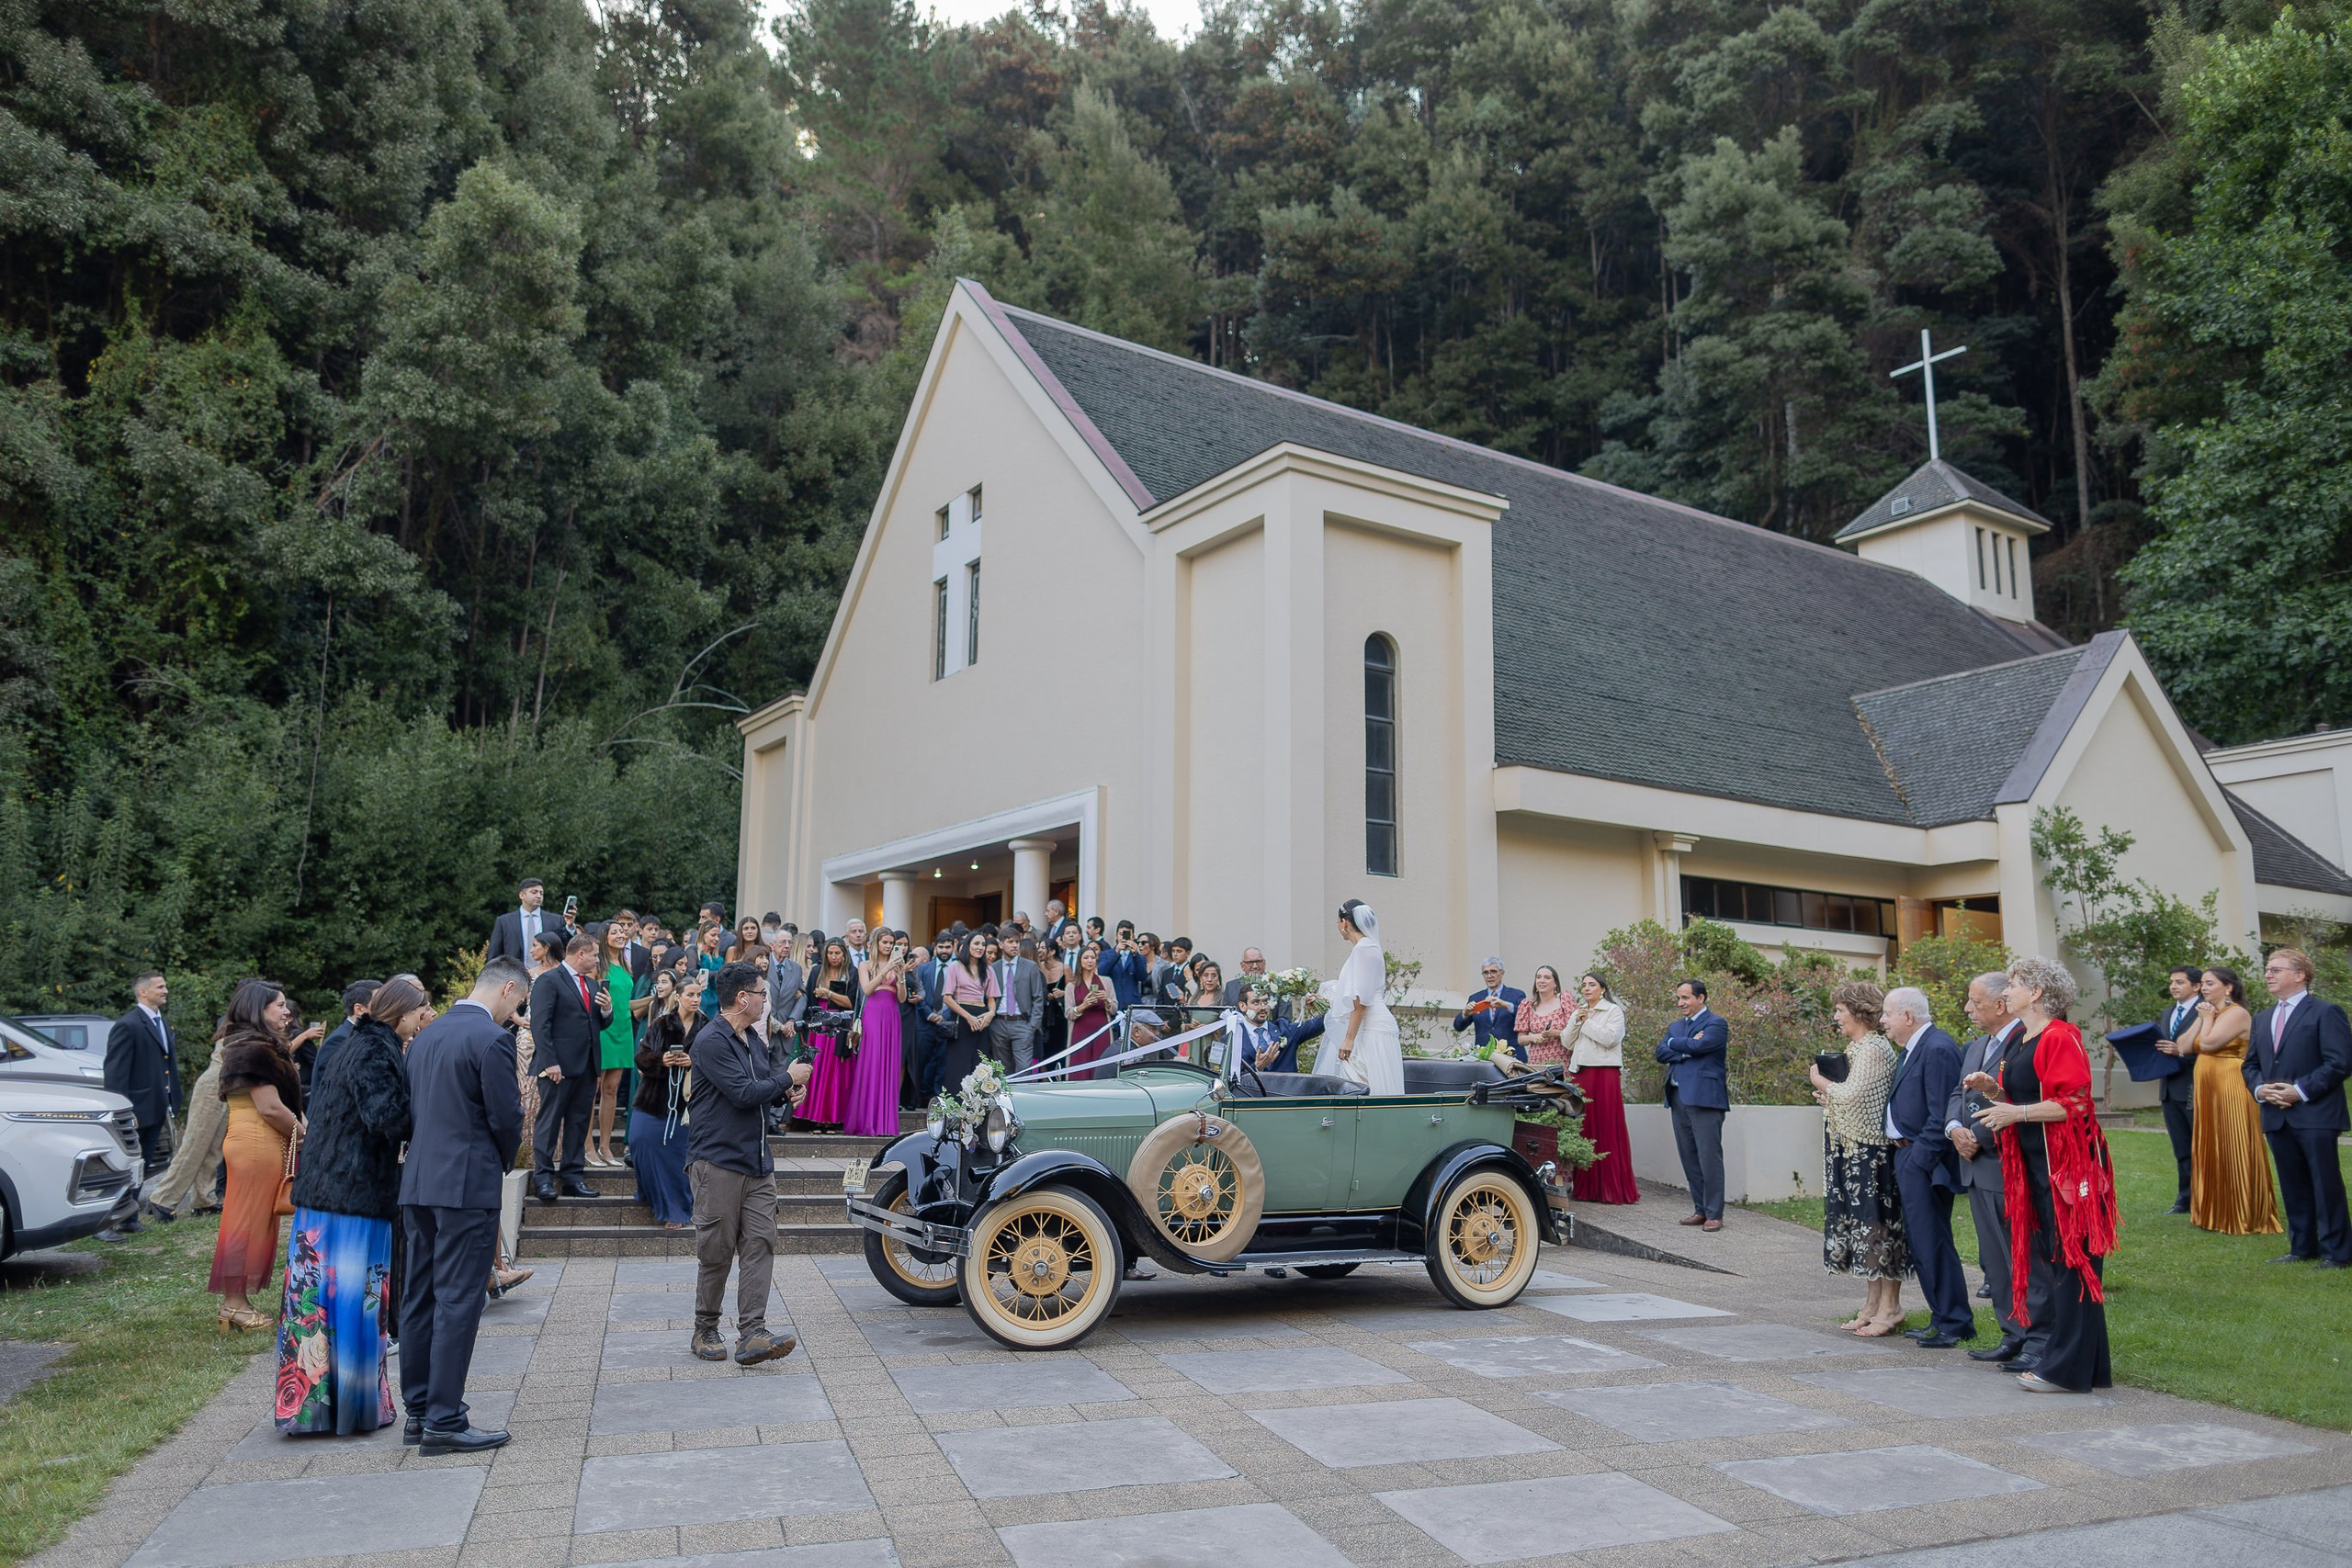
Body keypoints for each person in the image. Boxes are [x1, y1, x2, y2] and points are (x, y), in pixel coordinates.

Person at [276, 976, 426, 1437]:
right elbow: (385, 1116)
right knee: (355, 1300)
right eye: (421, 1010)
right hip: (353, 1196)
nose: (425, 1018)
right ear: (400, 1014)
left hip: (325, 1195)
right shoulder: (375, 1050)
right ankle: (353, 1408)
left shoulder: (348, 1042)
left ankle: (314, 1408)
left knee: (315, 1301)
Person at [1968, 956, 2119, 1393]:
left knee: (2074, 1265)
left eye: (2013, 984)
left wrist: (2016, 1112)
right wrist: (1993, 1091)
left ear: (2036, 992)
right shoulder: (2023, 1038)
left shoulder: (2060, 1035)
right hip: (2036, 1169)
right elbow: (2027, 1094)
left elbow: (2074, 1103)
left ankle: (2065, 1371)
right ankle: (2085, 1366)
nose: (2006, 991)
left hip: (2068, 1171)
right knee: (2058, 1264)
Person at [398, 957, 530, 1452]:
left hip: (419, 1182)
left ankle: (418, 1411)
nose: (516, 1011)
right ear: (508, 988)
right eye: (518, 1001)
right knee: (458, 1298)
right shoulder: (491, 1039)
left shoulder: (425, 1036)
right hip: (465, 1184)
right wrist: (496, 1164)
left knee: (420, 1295)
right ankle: (445, 1419)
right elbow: (505, 1117)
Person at [686, 962, 799, 1366]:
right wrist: (787, 1079)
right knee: (715, 1251)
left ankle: (753, 1332)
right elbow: (741, 1093)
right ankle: (706, 1328)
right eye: (762, 994)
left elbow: (761, 1090)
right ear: (742, 998)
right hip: (716, 1160)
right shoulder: (710, 1041)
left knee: (760, 1244)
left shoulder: (753, 1038)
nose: (765, 1001)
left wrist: (784, 1094)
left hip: (757, 1161)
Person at [1947, 973, 2041, 1368]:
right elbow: (1958, 1094)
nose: (1968, 1009)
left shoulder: (2025, 1040)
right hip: (1975, 1165)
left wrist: (1976, 1136)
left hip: (2006, 1162)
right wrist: (1954, 1130)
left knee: (2020, 1254)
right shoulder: (1976, 1046)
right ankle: (2012, 1333)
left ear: (2000, 1004)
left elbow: (2020, 1097)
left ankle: (2036, 1336)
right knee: (1994, 1259)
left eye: (1974, 1001)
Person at [210, 980, 312, 1333]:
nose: (287, 1012)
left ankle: (236, 1303)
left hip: (262, 1139)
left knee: (255, 1222)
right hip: (256, 1139)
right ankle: (233, 1304)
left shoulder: (255, 1044)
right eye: (279, 1005)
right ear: (258, 1008)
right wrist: (306, 1137)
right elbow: (269, 1108)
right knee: (246, 1223)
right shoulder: (250, 1047)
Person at [1809, 980, 1907, 1336]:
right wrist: (1830, 1097)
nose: (1836, 1017)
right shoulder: (1857, 1048)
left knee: (1878, 1227)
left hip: (1870, 1153)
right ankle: (1871, 1303)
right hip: (1851, 1150)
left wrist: (1820, 1082)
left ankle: (1891, 1307)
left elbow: (1851, 1095)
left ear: (1858, 1011)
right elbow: (1852, 1100)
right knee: (1863, 1231)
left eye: (1840, 1010)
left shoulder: (1874, 1049)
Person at [2245, 947, 2351, 1266]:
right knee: (2292, 1183)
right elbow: (2250, 1064)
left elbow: (2340, 1062)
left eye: (2276, 969)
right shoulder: (2263, 1018)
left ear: (2300, 975)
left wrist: (2299, 1091)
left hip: (2316, 1113)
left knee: (2324, 1182)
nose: (2268, 974)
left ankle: (2338, 1253)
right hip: (2276, 1114)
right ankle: (2303, 1247)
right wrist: (2261, 1089)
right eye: (2267, 969)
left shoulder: (2325, 1012)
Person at [1881, 987, 1971, 1348]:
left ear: (1908, 1016)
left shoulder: (1937, 1048)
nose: (1882, 1020)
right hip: (1908, 1155)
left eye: (1887, 1013)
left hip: (1924, 1160)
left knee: (1932, 1241)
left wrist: (1919, 1160)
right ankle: (1942, 1317)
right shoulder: (1914, 1047)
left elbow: (1942, 1112)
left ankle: (1955, 1321)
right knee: (1922, 1241)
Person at [2180, 964, 2281, 1236]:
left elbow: (2210, 1044)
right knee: (2211, 1143)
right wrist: (2202, 1018)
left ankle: (2243, 1211)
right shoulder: (2209, 1013)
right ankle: (2214, 1210)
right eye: (2202, 984)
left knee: (2233, 1141)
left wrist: (2207, 1019)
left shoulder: (2237, 1013)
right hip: (2208, 1086)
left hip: (2231, 1084)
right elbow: (2183, 1045)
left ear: (2229, 987)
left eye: (2210, 983)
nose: (2204, 988)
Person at [527, 932, 611, 1201]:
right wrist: (550, 1062)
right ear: (581, 954)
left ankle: (573, 1177)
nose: (597, 960)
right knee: (549, 1123)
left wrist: (607, 1010)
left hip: (587, 1065)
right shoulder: (548, 981)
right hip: (557, 1067)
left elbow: (598, 1023)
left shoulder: (593, 985)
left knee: (578, 1122)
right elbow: (541, 1024)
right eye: (595, 954)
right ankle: (543, 1178)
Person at [1657, 978, 1729, 1229]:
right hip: (1678, 1098)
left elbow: (1704, 1045)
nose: (1680, 1003)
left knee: (1709, 1158)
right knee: (1689, 1157)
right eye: (1678, 998)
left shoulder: (1716, 1023)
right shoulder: (1676, 1026)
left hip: (1705, 1098)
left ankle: (1714, 1214)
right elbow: (1660, 1053)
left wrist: (1675, 1045)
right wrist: (1687, 1048)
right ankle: (1700, 1209)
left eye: (1685, 998)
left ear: (1701, 998)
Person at [106, 971, 180, 1201]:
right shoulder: (128, 1025)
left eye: (165, 986)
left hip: (157, 1107)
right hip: (137, 1109)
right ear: (143, 992)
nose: (165, 990)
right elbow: (116, 1074)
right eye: (160, 987)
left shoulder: (161, 1022)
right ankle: (115, 1216)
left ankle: (130, 1216)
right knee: (128, 1163)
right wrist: (123, 1111)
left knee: (145, 1162)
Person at [630, 971, 696, 1228]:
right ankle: (651, 1193)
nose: (696, 999)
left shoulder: (707, 1027)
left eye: (699, 995)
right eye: (690, 995)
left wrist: (693, 1062)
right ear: (678, 997)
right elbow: (641, 1057)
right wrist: (662, 1060)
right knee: (638, 1140)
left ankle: (675, 1210)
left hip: (687, 1106)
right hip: (653, 1097)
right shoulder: (661, 1024)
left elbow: (717, 1063)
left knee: (675, 1156)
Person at [1328, 899, 1403, 1094]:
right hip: (1365, 1026)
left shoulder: (1364, 948)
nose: (1337, 926)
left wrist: (1349, 1039)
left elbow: (1360, 999)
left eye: (1337, 922)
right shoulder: (1365, 948)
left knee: (1366, 1086)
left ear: (1344, 922)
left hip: (1372, 1028)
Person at [2150, 966, 2203, 1213]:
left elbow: (2209, 1047)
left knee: (2199, 1145)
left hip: (2195, 1085)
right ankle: (2185, 1197)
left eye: (2180, 982)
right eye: (2172, 982)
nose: (2173, 986)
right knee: (2181, 1147)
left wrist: (2180, 1053)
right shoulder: (2168, 1012)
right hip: (2169, 1088)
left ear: (2196, 986)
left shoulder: (2206, 1011)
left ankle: (2206, 1196)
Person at [844, 931, 907, 1136]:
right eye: (885, 942)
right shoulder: (865, 965)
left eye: (891, 943)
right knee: (873, 1062)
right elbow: (867, 989)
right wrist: (886, 970)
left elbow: (902, 998)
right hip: (872, 1014)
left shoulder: (896, 965)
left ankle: (886, 1124)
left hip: (891, 1016)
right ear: (876, 943)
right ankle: (868, 1122)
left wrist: (902, 976)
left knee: (890, 1065)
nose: (889, 946)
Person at [798, 938, 859, 1127]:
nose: (833, 957)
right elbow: (808, 1000)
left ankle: (833, 1119)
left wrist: (829, 994)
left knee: (835, 1071)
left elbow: (852, 1002)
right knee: (816, 1069)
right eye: (830, 953)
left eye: (837, 953)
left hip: (840, 1025)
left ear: (844, 955)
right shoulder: (817, 971)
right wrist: (807, 1030)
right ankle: (813, 1118)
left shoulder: (851, 973)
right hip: (819, 1025)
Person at [938, 933, 999, 1089]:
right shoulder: (955, 967)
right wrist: (968, 1017)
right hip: (961, 1017)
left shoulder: (989, 970)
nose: (980, 948)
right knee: (958, 1064)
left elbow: (992, 998)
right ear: (968, 945)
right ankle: (956, 1108)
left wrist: (991, 1013)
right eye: (976, 943)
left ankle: (978, 1108)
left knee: (980, 1064)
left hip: (982, 1019)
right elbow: (947, 998)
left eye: (983, 945)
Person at [1232, 982, 1325, 1075]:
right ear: (1243, 1006)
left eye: (1265, 1001)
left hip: (1284, 1088)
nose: (1263, 1007)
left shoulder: (1285, 1030)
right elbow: (1230, 1080)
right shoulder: (1232, 1039)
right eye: (1256, 1002)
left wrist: (1322, 1004)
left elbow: (1322, 1023)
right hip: (1251, 1089)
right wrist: (1256, 1067)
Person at [989, 933, 1045, 1073]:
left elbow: (1038, 997)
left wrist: (1032, 1026)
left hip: (1022, 1023)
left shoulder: (1030, 967)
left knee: (1024, 1070)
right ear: (1001, 945)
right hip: (998, 1023)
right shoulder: (993, 968)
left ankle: (1022, 1095)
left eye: (1017, 942)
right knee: (1001, 1071)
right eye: (1010, 941)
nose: (1015, 945)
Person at [311, 979, 381, 1089]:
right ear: (359, 1009)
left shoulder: (364, 1036)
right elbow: (333, 1089)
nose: (386, 1006)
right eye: (379, 1002)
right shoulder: (339, 1040)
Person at [1453, 959, 1524, 1059]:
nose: (1489, 976)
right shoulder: (1476, 998)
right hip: (1484, 1057)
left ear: (1502, 973)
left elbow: (1526, 1018)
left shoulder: (1516, 995)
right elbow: (1458, 1027)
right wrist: (1465, 1013)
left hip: (1512, 1056)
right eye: (1486, 973)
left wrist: (1507, 1006)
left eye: (1493, 972)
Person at [1064, 944, 1115, 1080]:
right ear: (1080, 961)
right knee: (1079, 1063)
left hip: (1102, 1029)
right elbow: (1068, 1013)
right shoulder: (1071, 986)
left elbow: (1114, 1008)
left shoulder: (1107, 982)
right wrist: (1083, 1006)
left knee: (1101, 1063)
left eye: (1092, 957)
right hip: (1080, 1029)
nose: (1090, 960)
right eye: (1086, 957)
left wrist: (1107, 1001)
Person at [486, 878, 563, 968]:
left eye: (541, 893)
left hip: (548, 975)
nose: (539, 896)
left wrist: (570, 926)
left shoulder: (556, 920)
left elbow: (564, 948)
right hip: (514, 975)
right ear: (522, 895)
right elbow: (494, 954)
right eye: (534, 892)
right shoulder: (504, 921)